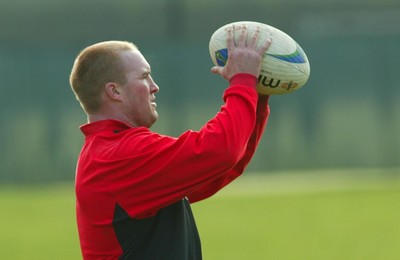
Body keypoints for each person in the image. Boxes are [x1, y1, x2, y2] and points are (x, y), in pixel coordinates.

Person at [69, 25, 272, 259]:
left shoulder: (110, 149)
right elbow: (219, 151)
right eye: (144, 77)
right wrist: (242, 81)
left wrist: (255, 96)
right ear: (115, 91)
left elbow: (217, 169)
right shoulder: (118, 154)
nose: (155, 86)